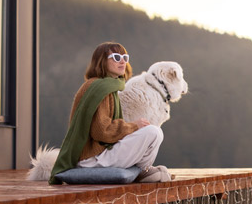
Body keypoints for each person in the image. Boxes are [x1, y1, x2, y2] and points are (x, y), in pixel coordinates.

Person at [48, 42, 171, 185]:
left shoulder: (105, 85)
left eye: (125, 57)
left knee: (151, 131)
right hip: (93, 158)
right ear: (101, 61)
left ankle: (143, 170)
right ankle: (143, 171)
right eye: (116, 57)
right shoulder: (101, 88)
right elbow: (102, 131)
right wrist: (133, 126)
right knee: (154, 132)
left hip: (98, 153)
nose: (123, 61)